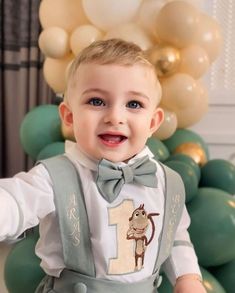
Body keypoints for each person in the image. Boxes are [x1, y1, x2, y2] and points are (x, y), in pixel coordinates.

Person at [0, 39, 206, 293]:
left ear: (153, 122)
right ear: (69, 116)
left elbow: (175, 237)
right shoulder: (55, 177)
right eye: (97, 101)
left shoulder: (167, 182)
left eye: (133, 104)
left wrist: (188, 278)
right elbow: (15, 199)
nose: (115, 117)